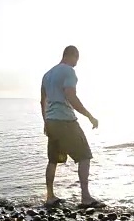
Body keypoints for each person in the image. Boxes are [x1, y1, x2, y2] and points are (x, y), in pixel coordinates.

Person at [40, 45, 104, 208]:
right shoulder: (69, 71)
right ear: (72, 55)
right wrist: (90, 116)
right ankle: (86, 198)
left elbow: (43, 102)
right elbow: (71, 96)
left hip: (52, 121)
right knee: (85, 156)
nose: (77, 62)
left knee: (53, 160)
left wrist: (46, 122)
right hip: (66, 121)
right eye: (77, 58)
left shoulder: (47, 75)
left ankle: (50, 197)